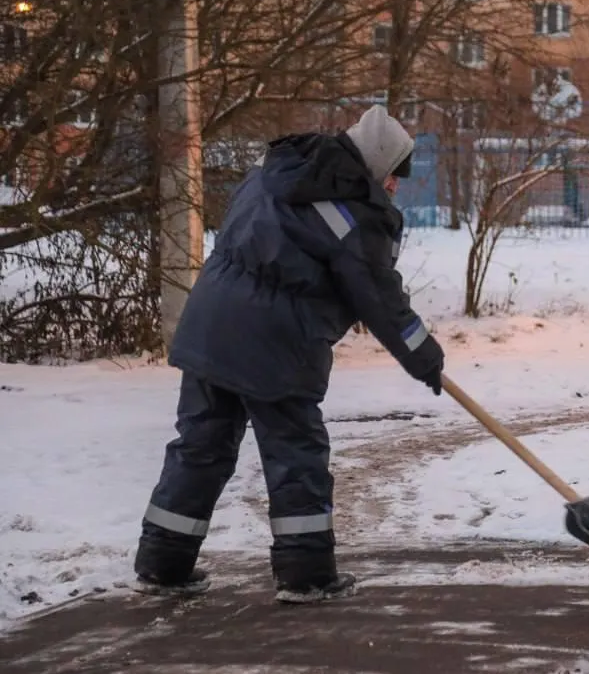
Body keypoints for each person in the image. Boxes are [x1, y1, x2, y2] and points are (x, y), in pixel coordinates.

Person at [131, 105, 446, 604]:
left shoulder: (274, 171)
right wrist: (423, 356)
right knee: (296, 453)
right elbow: (379, 296)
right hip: (276, 342)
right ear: (375, 165)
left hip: (211, 323)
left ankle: (162, 563)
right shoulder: (351, 213)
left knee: (201, 447)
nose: (394, 188)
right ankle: (306, 574)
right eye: (393, 176)